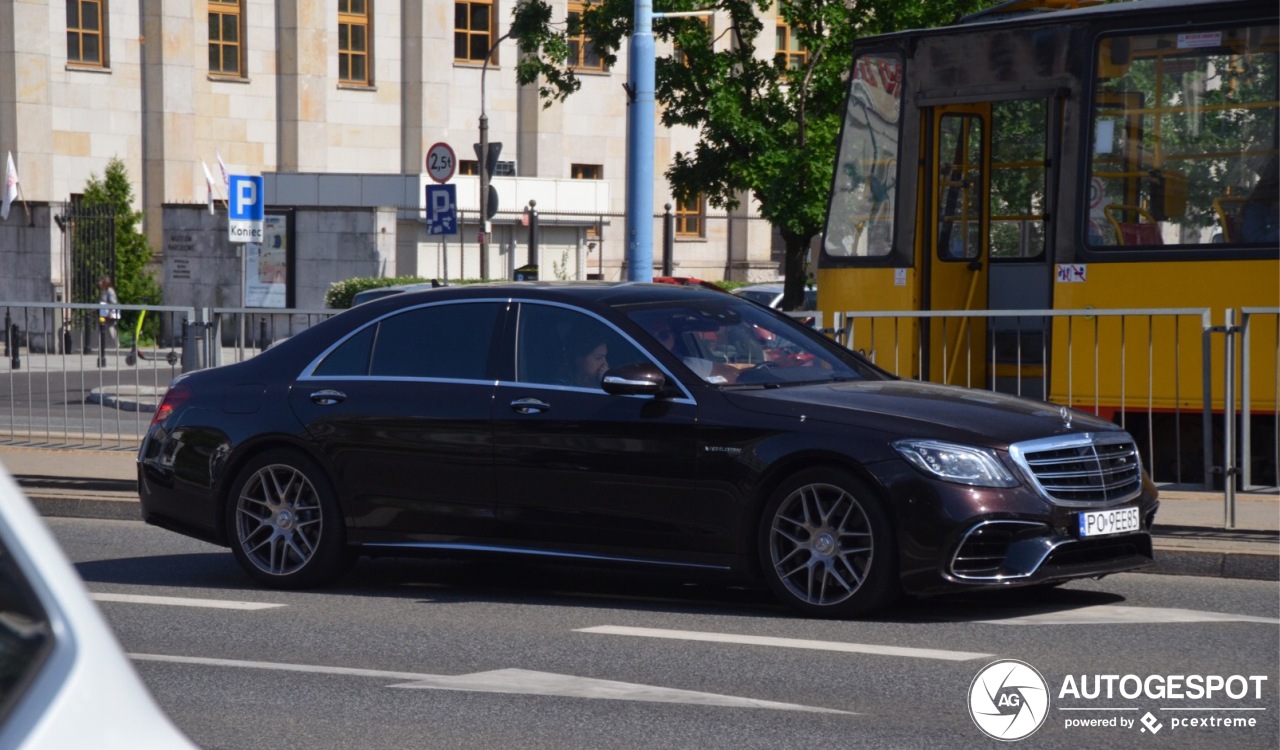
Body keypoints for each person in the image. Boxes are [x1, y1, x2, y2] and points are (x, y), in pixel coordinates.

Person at [96, 275, 120, 355]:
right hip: (103, 313)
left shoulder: (109, 290)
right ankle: (101, 346)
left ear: (104, 282)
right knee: (102, 328)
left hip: (109, 313)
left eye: (100, 281)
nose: (98, 283)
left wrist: (111, 312)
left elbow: (113, 302)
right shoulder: (103, 290)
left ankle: (117, 345)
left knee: (110, 329)